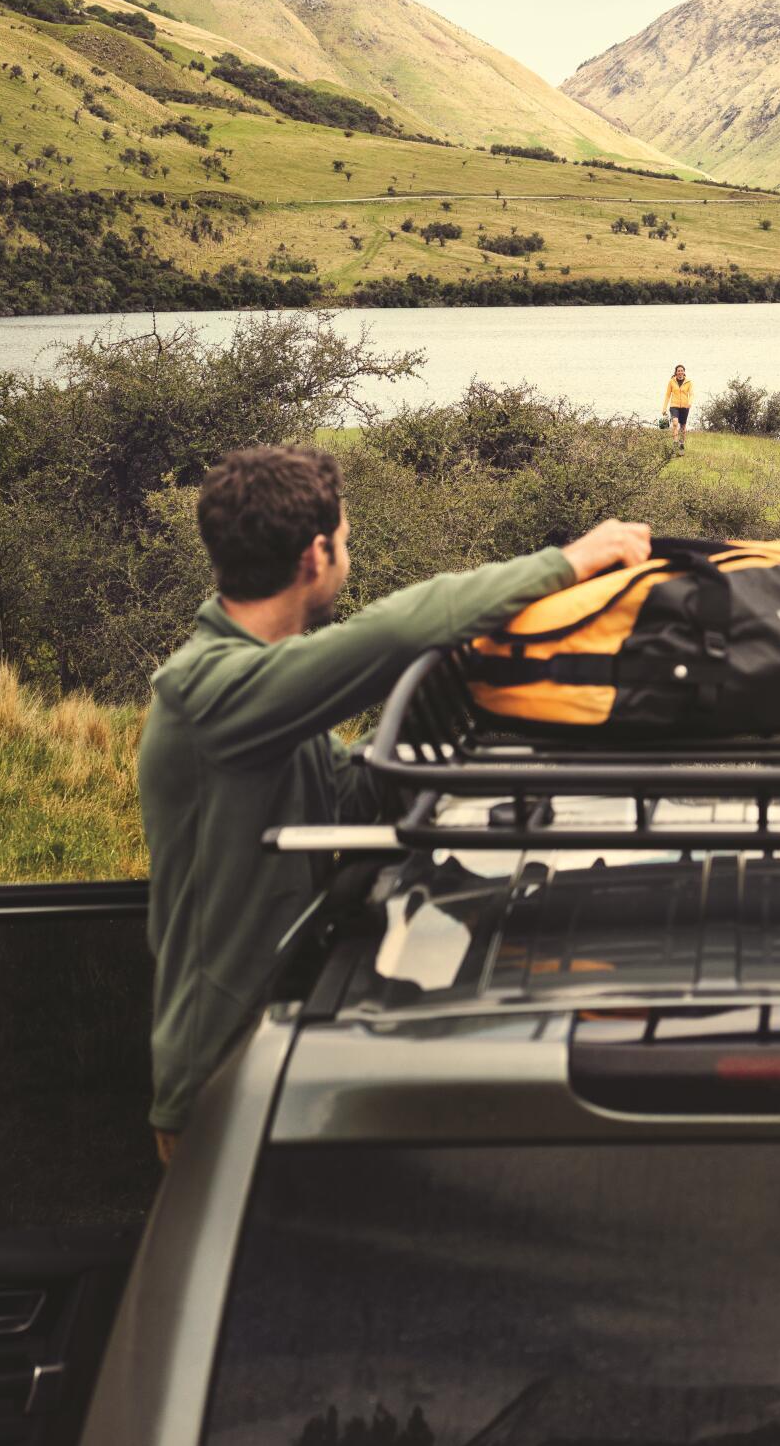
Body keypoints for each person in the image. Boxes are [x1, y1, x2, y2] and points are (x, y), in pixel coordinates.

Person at [138, 443, 650, 1161]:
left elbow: (348, 801)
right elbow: (397, 632)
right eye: (345, 541)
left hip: (287, 1038)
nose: (346, 556)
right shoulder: (208, 691)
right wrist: (568, 562)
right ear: (316, 555)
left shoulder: (257, 694)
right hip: (221, 1074)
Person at [661, 364, 693, 450]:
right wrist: (664, 408)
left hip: (685, 407)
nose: (680, 372)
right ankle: (675, 443)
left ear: (684, 372)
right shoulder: (671, 381)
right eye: (678, 371)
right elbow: (667, 395)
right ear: (676, 372)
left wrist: (690, 402)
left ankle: (681, 444)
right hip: (674, 406)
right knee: (675, 423)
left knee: (683, 426)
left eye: (682, 371)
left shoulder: (689, 382)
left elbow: (691, 394)